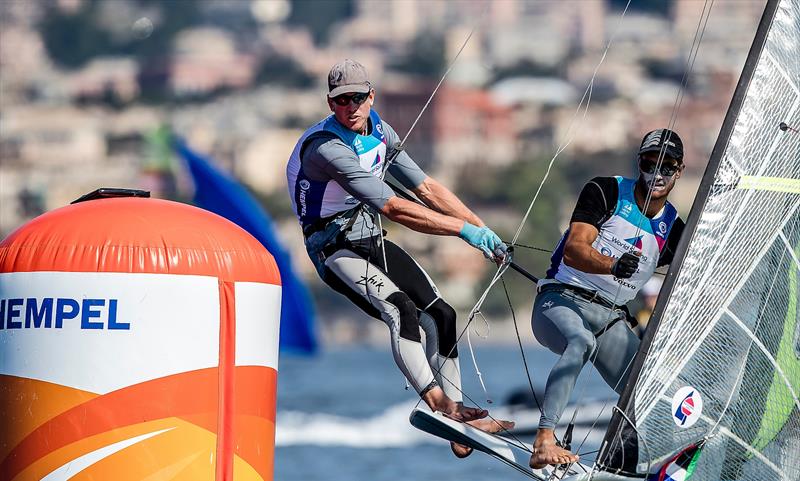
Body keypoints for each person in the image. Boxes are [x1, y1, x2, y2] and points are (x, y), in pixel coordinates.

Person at [286, 59, 513, 457]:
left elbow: (425, 187)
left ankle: (460, 422)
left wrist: (483, 230)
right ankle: (441, 405)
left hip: (369, 239)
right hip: (333, 248)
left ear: (371, 96)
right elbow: (394, 207)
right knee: (401, 310)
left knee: (442, 315)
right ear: (330, 103)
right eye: (341, 101)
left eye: (358, 97)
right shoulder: (326, 148)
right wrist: (463, 231)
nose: (350, 107)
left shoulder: (381, 132)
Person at [528, 129, 687, 468]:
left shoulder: (673, 229)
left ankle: (638, 466)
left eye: (668, 166)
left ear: (679, 170)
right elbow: (573, 250)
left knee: (649, 391)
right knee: (581, 341)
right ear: (639, 163)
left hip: (611, 319)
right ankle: (543, 440)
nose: (657, 174)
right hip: (559, 300)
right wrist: (613, 265)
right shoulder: (607, 191)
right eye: (650, 163)